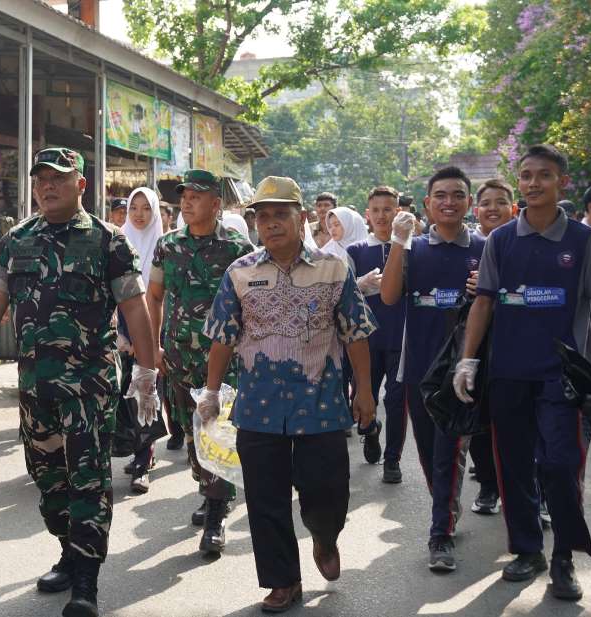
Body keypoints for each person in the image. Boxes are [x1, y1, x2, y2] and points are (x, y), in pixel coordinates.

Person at [0, 147, 159, 617]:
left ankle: (86, 582)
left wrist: (147, 371)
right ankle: (69, 551)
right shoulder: (16, 240)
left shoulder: (109, 241)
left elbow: (135, 307)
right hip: (35, 389)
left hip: (89, 387)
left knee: (87, 480)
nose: (48, 186)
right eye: (41, 178)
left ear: (81, 185)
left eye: (58, 178)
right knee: (48, 481)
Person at [456, 144, 591, 602]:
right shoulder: (501, 240)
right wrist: (467, 361)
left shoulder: (582, 240)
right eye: (526, 175)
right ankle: (527, 550)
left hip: (564, 377)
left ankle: (564, 559)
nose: (533, 183)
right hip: (508, 373)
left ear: (560, 182)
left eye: (543, 175)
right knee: (513, 467)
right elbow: (485, 301)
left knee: (561, 465)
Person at [201, 175, 376, 613]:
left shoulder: (334, 269)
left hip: (321, 407)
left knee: (327, 492)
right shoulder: (239, 273)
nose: (272, 223)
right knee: (265, 500)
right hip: (258, 409)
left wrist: (366, 392)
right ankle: (283, 581)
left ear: (301, 218)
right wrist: (210, 392)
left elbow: (355, 334)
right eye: (263, 216)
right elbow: (222, 337)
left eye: (282, 214)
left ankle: (323, 535)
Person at [380, 166, 484, 573]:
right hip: (418, 369)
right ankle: (448, 507)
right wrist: (396, 243)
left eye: (457, 195)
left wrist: (484, 289)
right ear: (427, 204)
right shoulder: (412, 248)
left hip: (462, 370)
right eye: (440, 195)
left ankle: (439, 532)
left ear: (468, 203)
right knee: (428, 453)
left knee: (449, 451)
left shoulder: (485, 247)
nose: (448, 202)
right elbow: (389, 297)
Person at [146, 169, 253, 556]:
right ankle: (209, 489)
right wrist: (154, 346)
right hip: (177, 357)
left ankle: (216, 511)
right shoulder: (167, 245)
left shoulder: (237, 248)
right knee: (191, 434)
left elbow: (250, 305)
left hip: (222, 361)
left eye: (196, 195)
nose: (187, 202)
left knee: (216, 431)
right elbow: (154, 295)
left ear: (216, 204)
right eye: (184, 196)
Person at [463, 178, 517, 516]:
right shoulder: (468, 247)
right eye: (487, 202)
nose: (493, 208)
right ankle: (487, 485)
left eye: (501, 202)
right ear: (476, 209)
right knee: (479, 419)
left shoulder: (522, 244)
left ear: (513, 209)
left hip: (517, 344)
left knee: (520, 423)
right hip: (477, 346)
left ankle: (530, 491)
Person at [345, 186, 408, 481]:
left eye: (388, 209)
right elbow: (339, 294)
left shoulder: (412, 247)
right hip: (366, 341)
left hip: (401, 338)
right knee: (362, 398)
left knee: (397, 401)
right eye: (377, 210)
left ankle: (393, 459)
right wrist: (359, 283)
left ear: (398, 212)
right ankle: (370, 431)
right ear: (367, 214)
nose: (382, 216)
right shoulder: (356, 250)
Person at [118, 186, 165, 494]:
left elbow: (162, 297)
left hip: (152, 327)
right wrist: (121, 334)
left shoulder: (164, 246)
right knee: (125, 392)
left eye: (146, 208)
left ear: (155, 212)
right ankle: (134, 450)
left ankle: (143, 459)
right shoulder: (118, 241)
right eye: (134, 207)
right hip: (122, 329)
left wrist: (152, 340)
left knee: (146, 391)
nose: (139, 214)